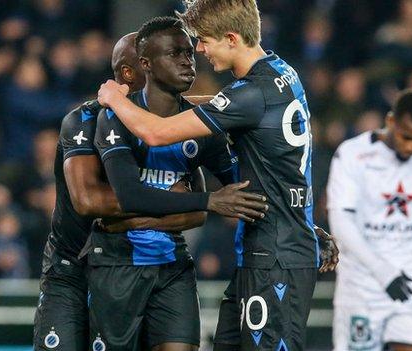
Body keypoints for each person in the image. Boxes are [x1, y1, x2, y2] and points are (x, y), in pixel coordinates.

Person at [95, 1, 339, 349]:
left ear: (230, 38)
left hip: (275, 260)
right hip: (265, 251)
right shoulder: (282, 73)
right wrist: (307, 224)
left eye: (204, 40)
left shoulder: (249, 94)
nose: (199, 49)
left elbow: (156, 133)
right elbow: (247, 125)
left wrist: (115, 99)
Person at [33, 31, 266, 351]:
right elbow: (89, 201)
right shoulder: (85, 120)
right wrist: (167, 201)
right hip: (72, 268)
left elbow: (196, 210)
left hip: (152, 264)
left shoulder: (182, 125)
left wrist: (132, 213)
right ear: (130, 72)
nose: (182, 62)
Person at [327, 90, 412, 351]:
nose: (411, 147)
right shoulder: (352, 155)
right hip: (363, 287)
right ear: (390, 121)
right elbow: (340, 221)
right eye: (406, 137)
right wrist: (383, 272)